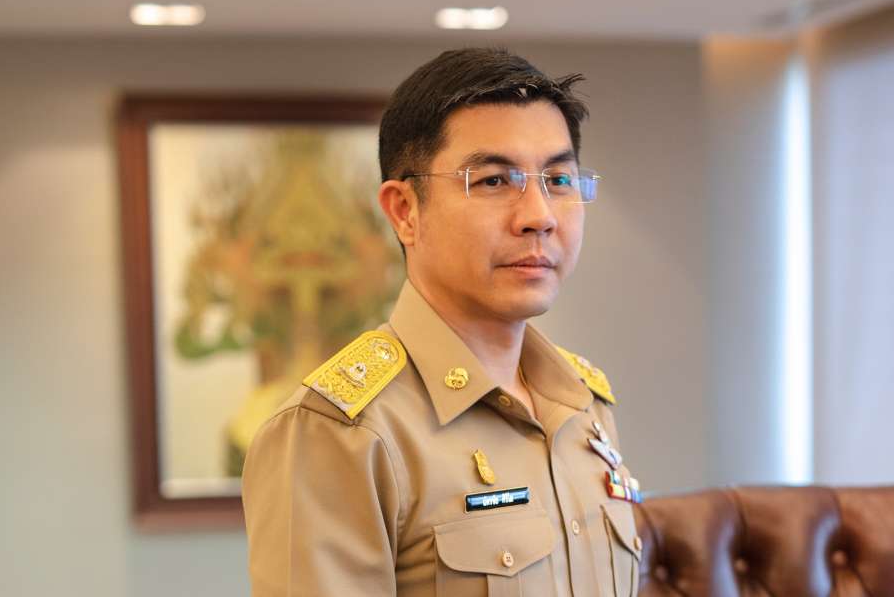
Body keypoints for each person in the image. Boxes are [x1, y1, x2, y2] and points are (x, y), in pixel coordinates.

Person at [242, 47, 644, 597]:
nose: (539, 216)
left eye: (558, 180)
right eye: (494, 181)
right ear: (405, 211)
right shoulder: (342, 432)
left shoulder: (583, 403)